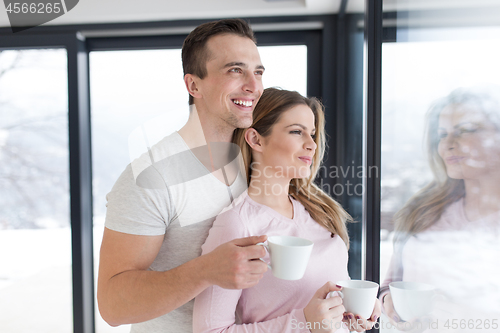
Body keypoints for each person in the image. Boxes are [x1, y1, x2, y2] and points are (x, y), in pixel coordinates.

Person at [97, 19, 270, 332]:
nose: (254, 85)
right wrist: (204, 270)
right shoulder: (152, 177)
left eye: (258, 72)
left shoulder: (257, 161)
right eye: (235, 70)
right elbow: (112, 305)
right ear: (194, 86)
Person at [193, 87, 381, 333]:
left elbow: (327, 304)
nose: (312, 145)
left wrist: (353, 310)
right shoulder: (237, 224)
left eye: (312, 134)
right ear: (255, 139)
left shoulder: (320, 213)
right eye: (296, 132)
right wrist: (304, 322)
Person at [380, 87, 500, 331]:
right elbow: (391, 284)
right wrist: (389, 300)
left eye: (465, 130)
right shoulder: (424, 211)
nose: (448, 144)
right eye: (442, 134)